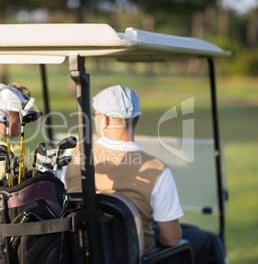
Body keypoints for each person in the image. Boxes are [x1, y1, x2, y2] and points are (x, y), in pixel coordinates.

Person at [64, 85, 212, 263]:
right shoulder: (157, 170)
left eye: (96, 115)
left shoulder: (72, 156)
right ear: (137, 118)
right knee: (207, 240)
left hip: (83, 256)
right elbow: (170, 239)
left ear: (105, 120)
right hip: (138, 258)